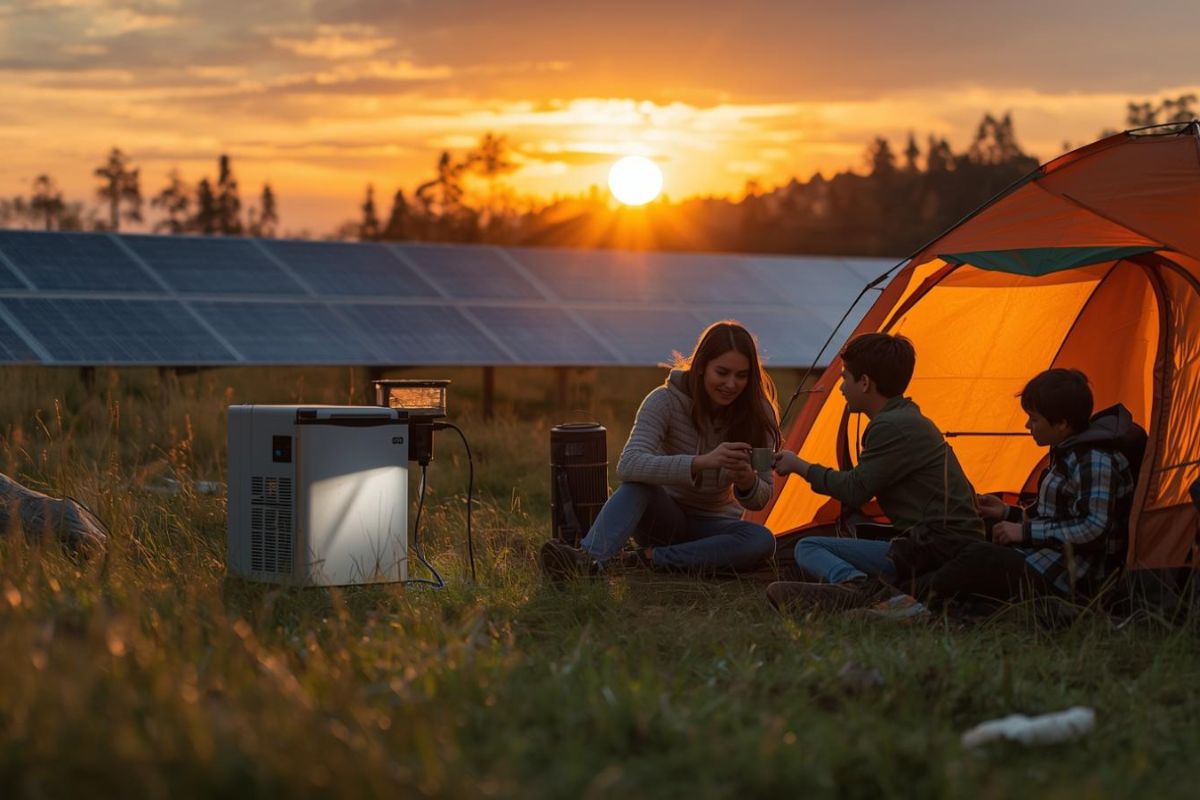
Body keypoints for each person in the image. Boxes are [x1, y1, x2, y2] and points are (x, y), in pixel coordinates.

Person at [539, 320, 780, 579]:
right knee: (637, 484)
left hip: (714, 525)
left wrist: (746, 481)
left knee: (761, 540)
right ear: (701, 368)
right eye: (722, 373)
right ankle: (588, 561)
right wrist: (701, 462)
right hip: (663, 517)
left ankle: (645, 560)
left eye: (741, 375)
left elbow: (762, 496)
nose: (731, 384)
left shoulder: (759, 414)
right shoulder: (663, 401)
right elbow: (628, 464)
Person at [764, 332, 984, 611]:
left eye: (845, 378)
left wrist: (800, 467)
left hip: (935, 549)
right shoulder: (907, 418)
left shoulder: (891, 426)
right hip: (935, 544)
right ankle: (874, 590)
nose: (841, 388)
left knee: (808, 548)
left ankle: (861, 588)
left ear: (865, 383)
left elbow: (854, 490)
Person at [911, 369, 1139, 608]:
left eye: (1034, 418)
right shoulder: (1067, 451)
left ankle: (910, 602)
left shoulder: (1094, 460)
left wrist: (1025, 533)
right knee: (954, 536)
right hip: (1045, 558)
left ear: (1061, 423)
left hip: (1069, 579)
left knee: (979, 557)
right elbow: (1054, 516)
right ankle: (903, 586)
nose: (1027, 424)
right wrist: (1006, 513)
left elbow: (1094, 529)